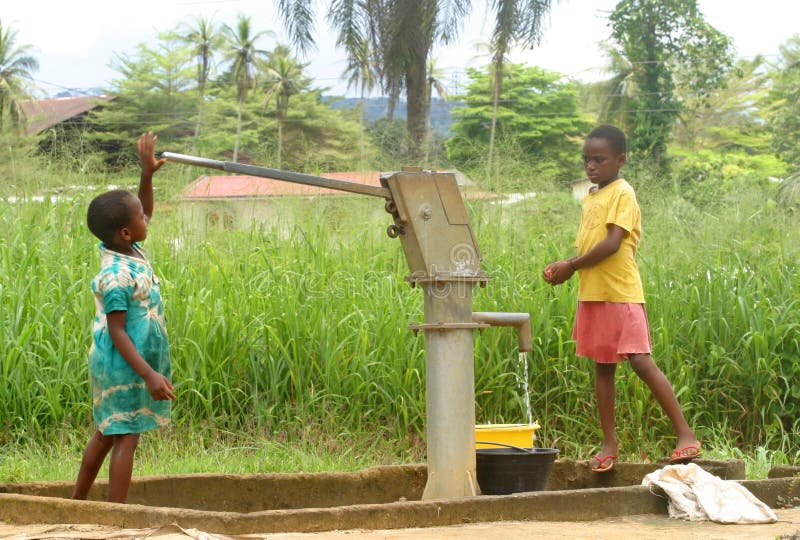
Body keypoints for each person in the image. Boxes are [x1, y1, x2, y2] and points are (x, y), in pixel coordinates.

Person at [543, 124, 700, 473]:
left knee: (640, 360)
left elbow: (613, 243)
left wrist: (570, 265)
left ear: (620, 160)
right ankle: (609, 444)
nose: (591, 166)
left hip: (620, 292)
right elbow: (589, 243)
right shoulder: (591, 196)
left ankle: (686, 435)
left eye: (599, 159)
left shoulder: (623, 193)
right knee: (603, 367)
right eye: (586, 160)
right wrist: (564, 268)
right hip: (593, 294)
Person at [72, 132, 175, 503]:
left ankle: (77, 504)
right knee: (124, 435)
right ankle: (115, 515)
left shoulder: (129, 247)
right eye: (140, 216)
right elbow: (117, 331)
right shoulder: (116, 276)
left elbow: (140, 209)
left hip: (127, 363)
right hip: (123, 365)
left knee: (107, 431)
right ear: (126, 231)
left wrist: (147, 174)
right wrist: (148, 374)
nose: (148, 215)